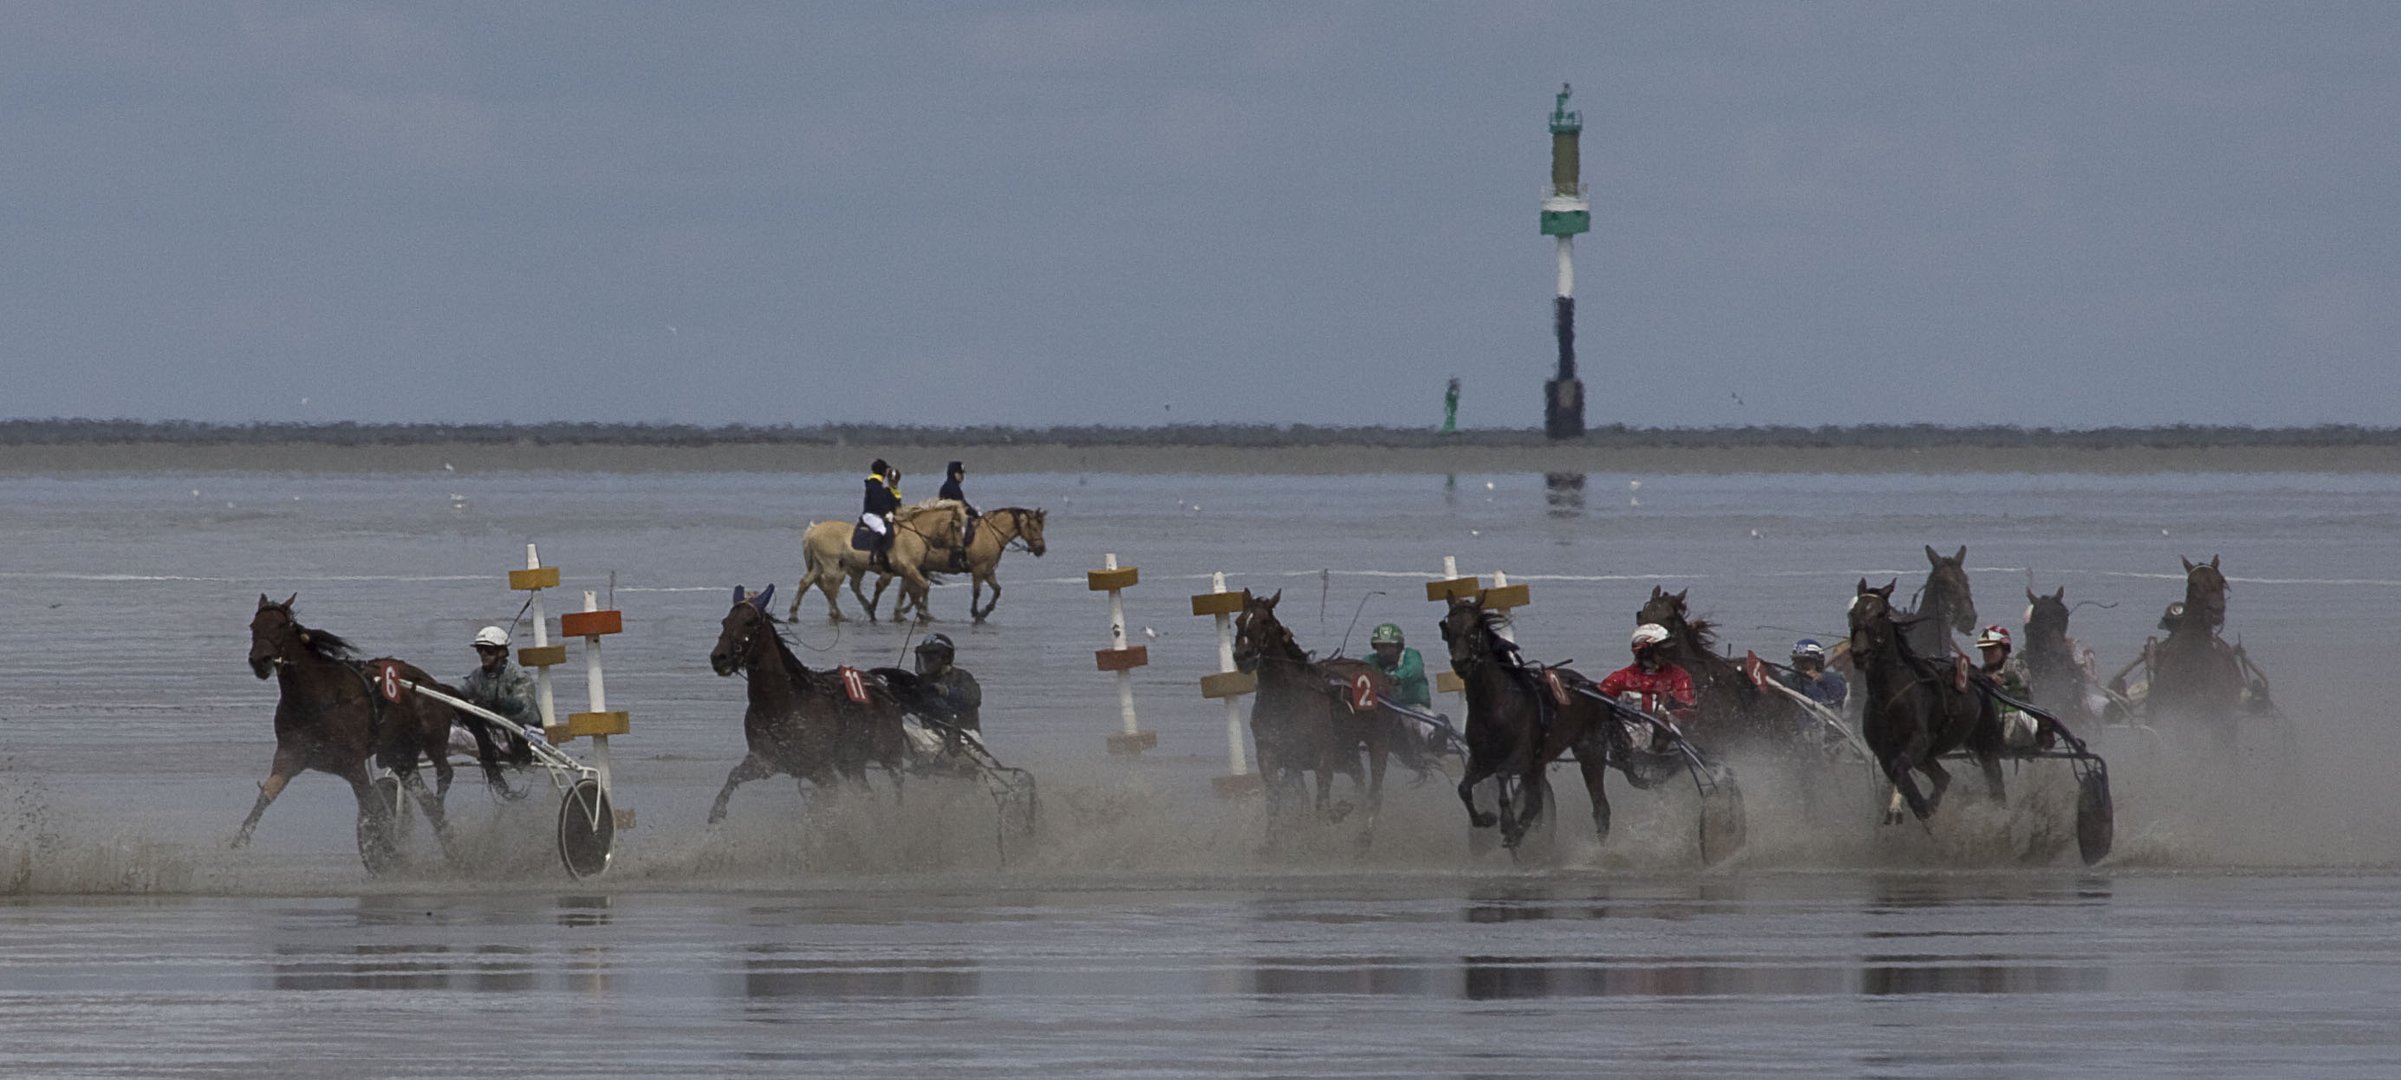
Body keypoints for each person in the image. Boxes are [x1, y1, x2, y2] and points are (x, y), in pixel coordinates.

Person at [1599, 624, 1697, 750]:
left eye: (1669, 650)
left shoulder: (1679, 676)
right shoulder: (1619, 679)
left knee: (1660, 727)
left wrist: (1672, 705)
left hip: (1670, 735)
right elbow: (1598, 704)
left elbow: (1690, 711)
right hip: (1628, 731)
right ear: (1645, 652)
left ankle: (1660, 737)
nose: (1668, 655)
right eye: (1663, 651)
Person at [461, 625, 540, 761]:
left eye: (489, 650)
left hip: (524, 735)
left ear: (502, 652)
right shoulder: (476, 676)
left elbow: (525, 711)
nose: (483, 654)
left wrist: (497, 704)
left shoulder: (519, 676)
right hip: (493, 732)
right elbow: (460, 693)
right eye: (480, 650)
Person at [1976, 624, 2040, 747]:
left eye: (1992, 649)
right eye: (1984, 650)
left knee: (2028, 717)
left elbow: (2020, 679)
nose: (1987, 654)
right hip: (1992, 724)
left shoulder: (2017, 665)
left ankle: (2040, 742)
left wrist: (2003, 679)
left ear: (2004, 649)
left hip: (2018, 722)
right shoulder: (1980, 673)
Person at [912, 632, 982, 732]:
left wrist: (946, 691)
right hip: (933, 734)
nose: (926, 663)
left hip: (965, 736)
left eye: (930, 659)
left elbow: (972, 699)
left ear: (946, 658)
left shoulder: (962, 677)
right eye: (924, 658)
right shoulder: (922, 681)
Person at [1367, 623, 1429, 708]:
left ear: (1399, 647)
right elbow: (1359, 671)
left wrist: (1396, 678)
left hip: (1415, 709)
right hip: (1386, 708)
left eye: (1390, 646)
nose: (1385, 651)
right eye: (1381, 646)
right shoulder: (1371, 660)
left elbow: (1415, 669)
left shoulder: (1410, 655)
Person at [1781, 638, 1848, 711]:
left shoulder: (1833, 679)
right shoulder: (1790, 681)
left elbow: (1841, 690)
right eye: (1797, 661)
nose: (1801, 665)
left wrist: (1822, 678)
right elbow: (1779, 683)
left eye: (1805, 661)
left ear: (1817, 662)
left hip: (1827, 720)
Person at [859, 458, 902, 571]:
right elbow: (877, 503)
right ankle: (875, 556)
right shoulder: (874, 485)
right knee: (882, 530)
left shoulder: (879, 485)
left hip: (878, 514)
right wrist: (886, 513)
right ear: (883, 471)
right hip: (871, 515)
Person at [937, 461, 978, 572]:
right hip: (951, 518)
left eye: (962, 474)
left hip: (956, 515)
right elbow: (961, 505)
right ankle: (961, 558)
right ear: (954, 474)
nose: (962, 477)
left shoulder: (954, 486)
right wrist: (974, 513)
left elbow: (963, 503)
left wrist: (973, 511)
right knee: (965, 531)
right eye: (960, 474)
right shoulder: (951, 487)